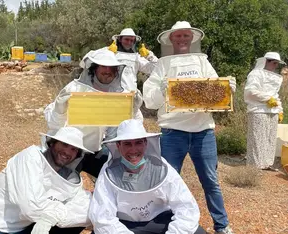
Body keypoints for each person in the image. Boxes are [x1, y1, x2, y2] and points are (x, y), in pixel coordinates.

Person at [143, 21, 235, 234]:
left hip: (203, 132)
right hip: (172, 132)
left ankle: (222, 226)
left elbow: (216, 91)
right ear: (171, 39)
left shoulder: (202, 62)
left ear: (191, 38)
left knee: (211, 181)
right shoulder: (162, 65)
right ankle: (164, 224)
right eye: (178, 36)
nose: (182, 39)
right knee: (167, 181)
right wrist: (162, 92)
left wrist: (226, 90)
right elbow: (150, 101)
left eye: (185, 36)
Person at [89, 119, 206, 234]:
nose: (133, 149)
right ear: (118, 146)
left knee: (197, 232)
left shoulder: (161, 168)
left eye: (138, 142)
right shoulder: (109, 172)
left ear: (146, 143)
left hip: (160, 221)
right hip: (124, 224)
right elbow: (102, 217)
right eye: (127, 144)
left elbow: (185, 206)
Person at [0, 127, 93, 234]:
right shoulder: (30, 158)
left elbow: (85, 207)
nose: (67, 152)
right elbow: (29, 206)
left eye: (74, 149)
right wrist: (56, 212)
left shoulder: (69, 177)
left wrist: (52, 216)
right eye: (64, 144)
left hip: (26, 227)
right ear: (53, 143)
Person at [44, 48, 142, 177]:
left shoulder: (120, 95)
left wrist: (133, 111)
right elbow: (53, 124)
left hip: (96, 149)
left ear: (116, 70)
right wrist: (59, 108)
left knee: (119, 175)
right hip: (69, 148)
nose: (107, 71)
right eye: (103, 66)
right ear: (94, 68)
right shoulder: (74, 89)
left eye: (111, 67)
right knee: (59, 184)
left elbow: (133, 128)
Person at [244, 52, 285, 170]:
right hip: (258, 110)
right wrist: (267, 99)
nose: (275, 66)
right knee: (257, 139)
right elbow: (251, 91)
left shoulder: (275, 77)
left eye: (277, 63)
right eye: (274, 63)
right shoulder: (255, 74)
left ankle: (267, 164)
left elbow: (275, 95)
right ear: (266, 61)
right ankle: (255, 167)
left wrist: (280, 109)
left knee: (269, 139)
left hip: (273, 111)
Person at [110, 28, 158, 120]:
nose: (129, 42)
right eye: (126, 39)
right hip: (114, 99)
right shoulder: (110, 54)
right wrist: (106, 53)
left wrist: (149, 56)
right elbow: (88, 63)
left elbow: (155, 69)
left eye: (132, 40)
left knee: (137, 128)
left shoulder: (136, 57)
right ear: (120, 39)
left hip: (132, 100)